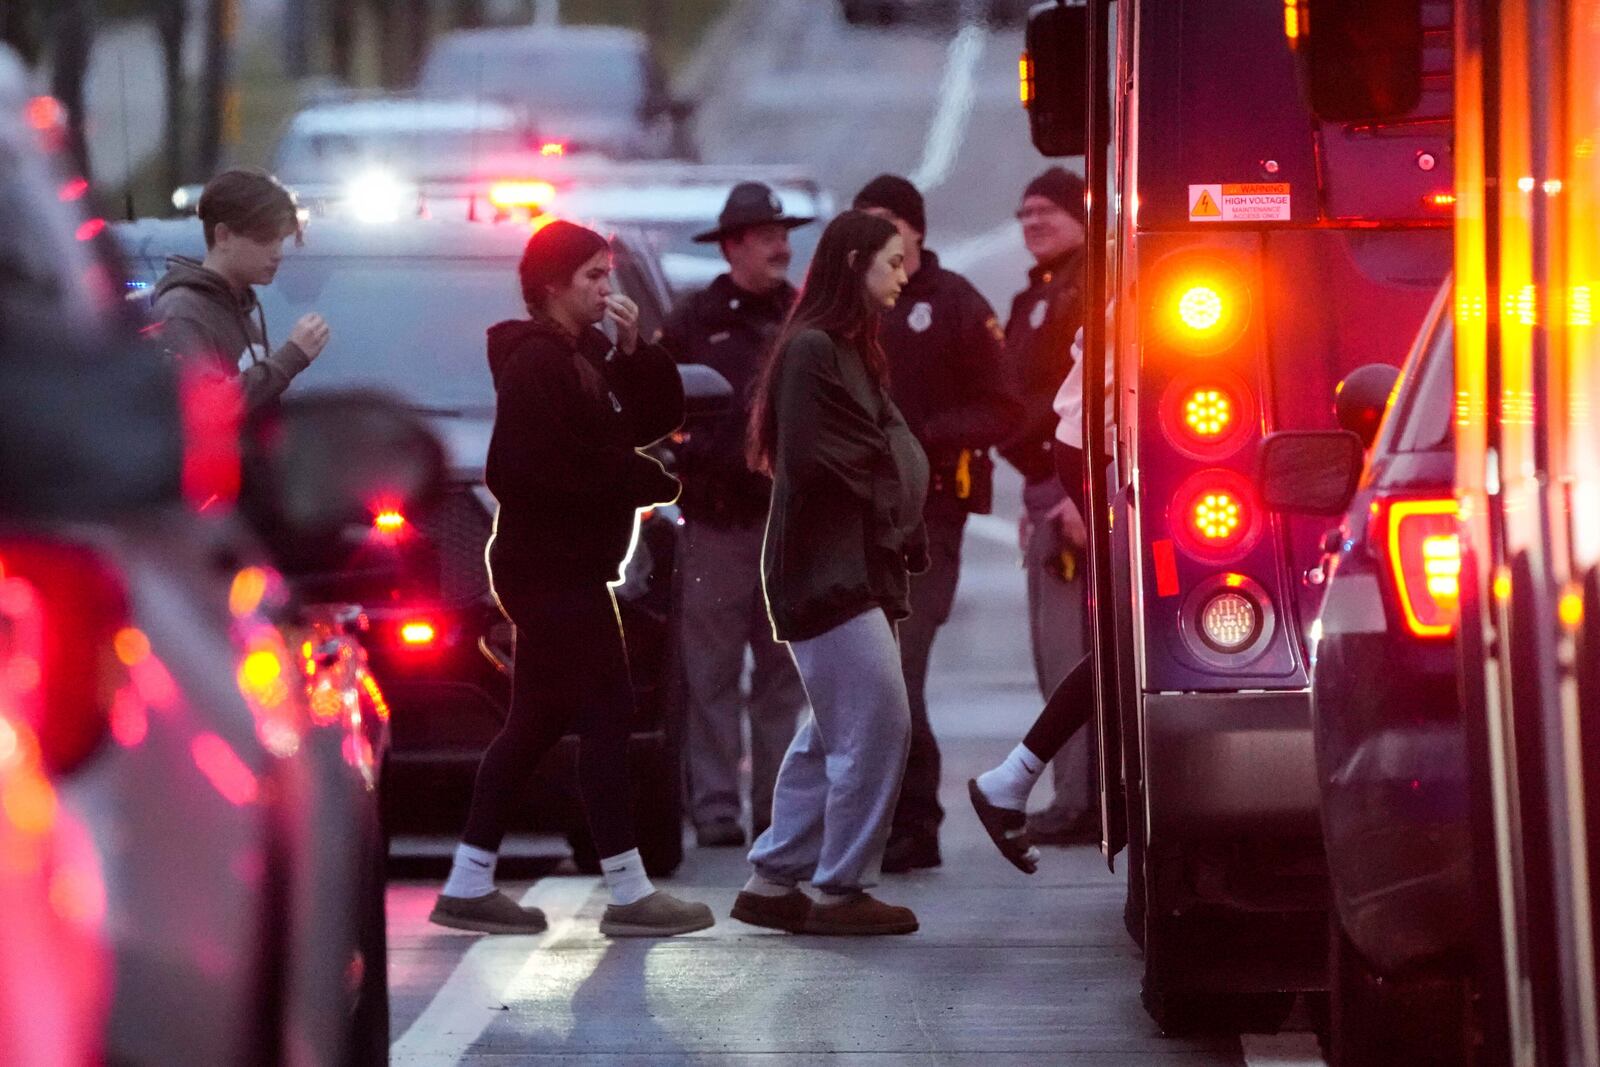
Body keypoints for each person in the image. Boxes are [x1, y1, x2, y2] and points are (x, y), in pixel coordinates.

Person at [431, 220, 714, 938]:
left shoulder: (584, 353)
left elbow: (655, 415)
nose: (606, 289)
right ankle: (628, 890)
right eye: (592, 276)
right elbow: (530, 469)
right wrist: (636, 480)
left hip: (569, 567)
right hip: (550, 570)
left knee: (534, 724)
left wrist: (636, 349)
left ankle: (469, 880)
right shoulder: (535, 364)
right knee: (609, 712)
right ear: (551, 284)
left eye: (608, 274)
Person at [730, 210, 928, 936]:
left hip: (848, 565)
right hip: (823, 569)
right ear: (854, 265)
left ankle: (774, 877)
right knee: (878, 721)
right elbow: (820, 457)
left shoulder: (846, 348)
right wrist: (891, 468)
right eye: (894, 262)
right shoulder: (814, 349)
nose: (905, 275)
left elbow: (876, 445)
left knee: (835, 728)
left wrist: (892, 466)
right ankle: (840, 888)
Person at [850, 174, 1021, 873]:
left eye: (886, 221)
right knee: (863, 673)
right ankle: (868, 818)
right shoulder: (847, 307)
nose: (876, 235)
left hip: (932, 519)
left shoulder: (955, 305)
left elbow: (1004, 407)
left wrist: (925, 434)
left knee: (901, 666)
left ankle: (915, 820)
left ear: (916, 229)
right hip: (857, 519)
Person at [658, 182, 813, 849]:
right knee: (711, 671)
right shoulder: (694, 319)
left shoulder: (803, 315)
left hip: (788, 525)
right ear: (732, 246)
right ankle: (716, 807)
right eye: (765, 235)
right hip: (717, 525)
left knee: (783, 676)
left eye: (783, 232)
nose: (781, 245)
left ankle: (776, 809)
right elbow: (655, 408)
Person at [970, 320, 1114, 875]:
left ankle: (1011, 779)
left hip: (1095, 447)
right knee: (1131, 641)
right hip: (1104, 452)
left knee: (1129, 643)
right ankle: (1014, 779)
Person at [996, 166, 1097, 845]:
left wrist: (1070, 491)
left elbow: (1088, 397)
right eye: (1025, 212)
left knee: (1071, 654)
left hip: (1071, 489)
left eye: (1047, 211)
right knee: (1050, 652)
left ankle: (1079, 801)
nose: (1033, 221)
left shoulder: (1089, 287)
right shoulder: (1037, 294)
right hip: (1046, 488)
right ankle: (1074, 793)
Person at [151, 168, 329, 413]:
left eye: (280, 240)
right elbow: (209, 406)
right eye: (265, 239)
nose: (277, 253)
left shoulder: (238, 304)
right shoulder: (184, 311)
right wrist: (292, 356)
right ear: (223, 236)